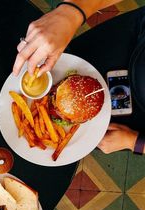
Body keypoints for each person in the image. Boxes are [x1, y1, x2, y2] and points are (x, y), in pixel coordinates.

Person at [12, 0, 145, 156]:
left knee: (91, 135)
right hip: (133, 36)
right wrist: (71, 13)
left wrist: (136, 142)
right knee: (70, 52)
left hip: (135, 117)